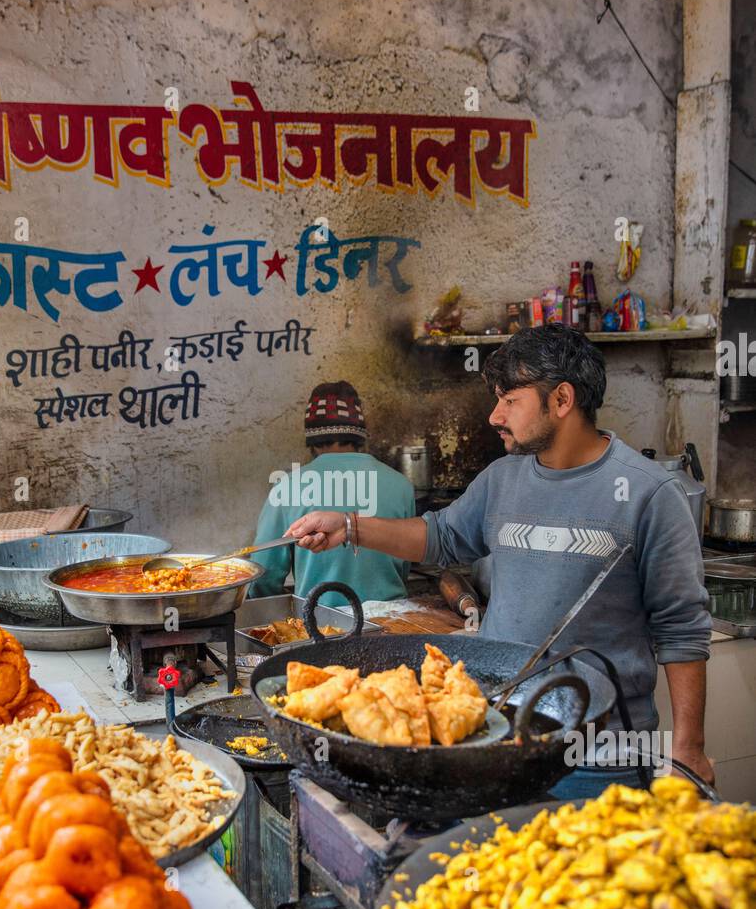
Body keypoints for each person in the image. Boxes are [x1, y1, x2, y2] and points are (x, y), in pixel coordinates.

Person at [286, 326, 714, 788]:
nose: (494, 416)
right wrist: (350, 526)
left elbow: (682, 627)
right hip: (498, 734)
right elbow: (441, 537)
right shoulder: (502, 479)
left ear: (562, 399)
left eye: (510, 400)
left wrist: (688, 748)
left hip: (598, 755)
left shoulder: (650, 493)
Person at [248, 381, 415, 609]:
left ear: (312, 439)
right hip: (394, 620)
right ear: (359, 435)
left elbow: (263, 575)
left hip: (322, 627)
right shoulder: (401, 485)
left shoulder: (287, 488)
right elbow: (406, 561)